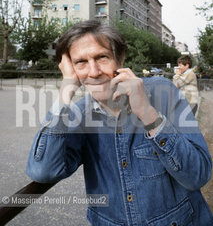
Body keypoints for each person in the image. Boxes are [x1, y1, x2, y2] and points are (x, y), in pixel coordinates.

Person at [26, 20, 213, 225]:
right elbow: (42, 171)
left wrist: (147, 113)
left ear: (120, 58)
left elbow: (198, 175)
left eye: (102, 57)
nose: (94, 71)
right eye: (81, 62)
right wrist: (65, 92)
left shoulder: (164, 91)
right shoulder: (78, 114)